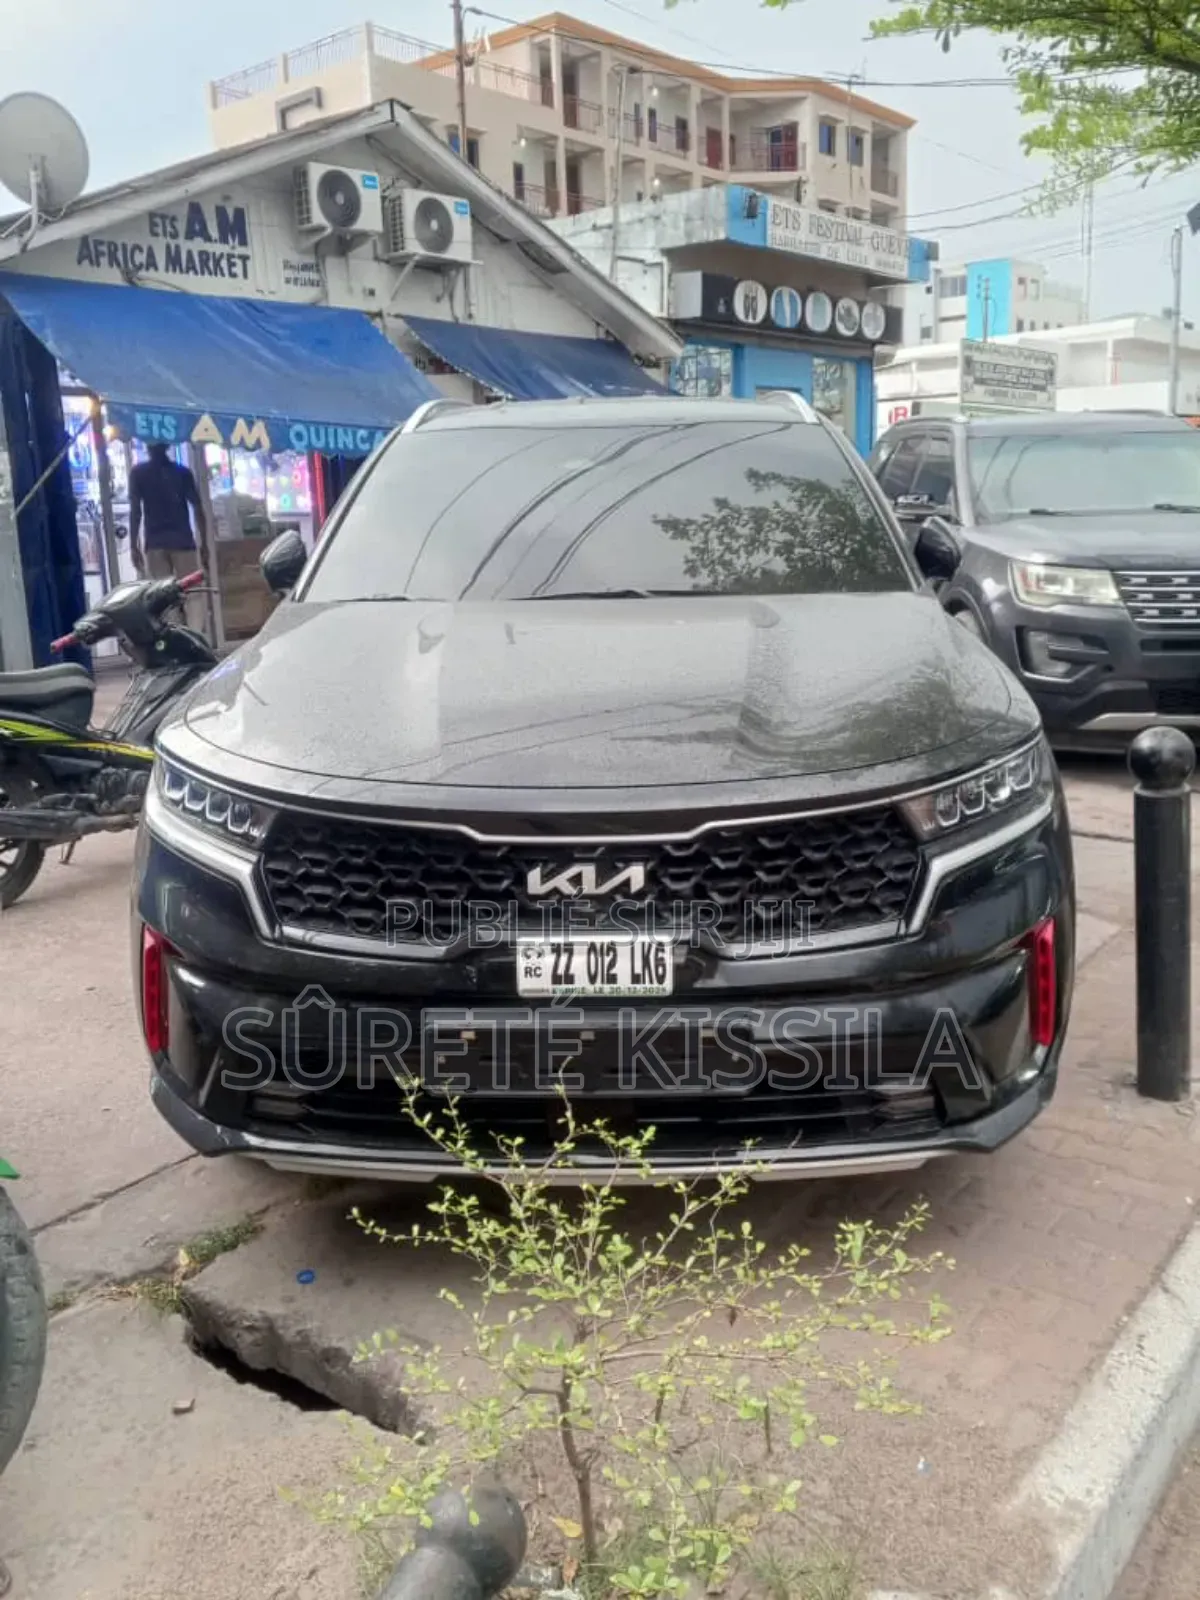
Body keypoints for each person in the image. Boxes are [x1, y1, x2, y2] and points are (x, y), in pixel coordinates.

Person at [128, 443, 210, 631]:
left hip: (155, 543)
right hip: (183, 541)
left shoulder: (139, 473)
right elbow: (198, 509)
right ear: (168, 446)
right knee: (194, 593)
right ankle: (195, 634)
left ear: (148, 448)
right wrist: (204, 543)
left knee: (163, 596)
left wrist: (134, 545)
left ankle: (174, 635)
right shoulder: (182, 473)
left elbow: (135, 512)